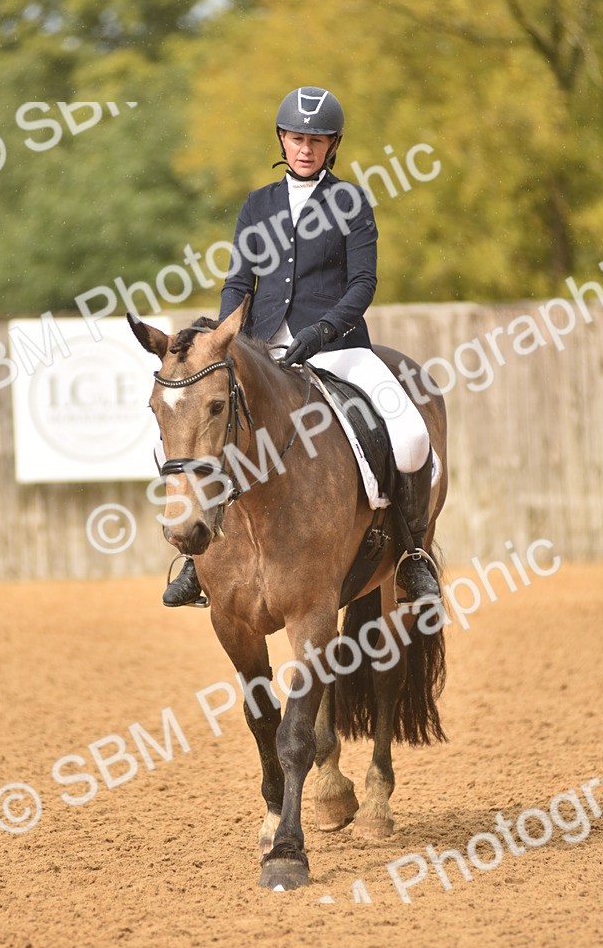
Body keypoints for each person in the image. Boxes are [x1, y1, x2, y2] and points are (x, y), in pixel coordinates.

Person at [164, 86, 440, 607]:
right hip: (265, 352)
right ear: (282, 141)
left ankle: (412, 556)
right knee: (191, 429)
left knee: (410, 437)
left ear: (332, 145)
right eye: (295, 138)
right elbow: (238, 281)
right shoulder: (258, 204)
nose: (305, 148)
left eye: (316, 140)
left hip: (340, 350)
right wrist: (227, 338)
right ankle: (196, 559)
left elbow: (363, 284)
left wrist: (322, 331)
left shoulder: (351, 202)